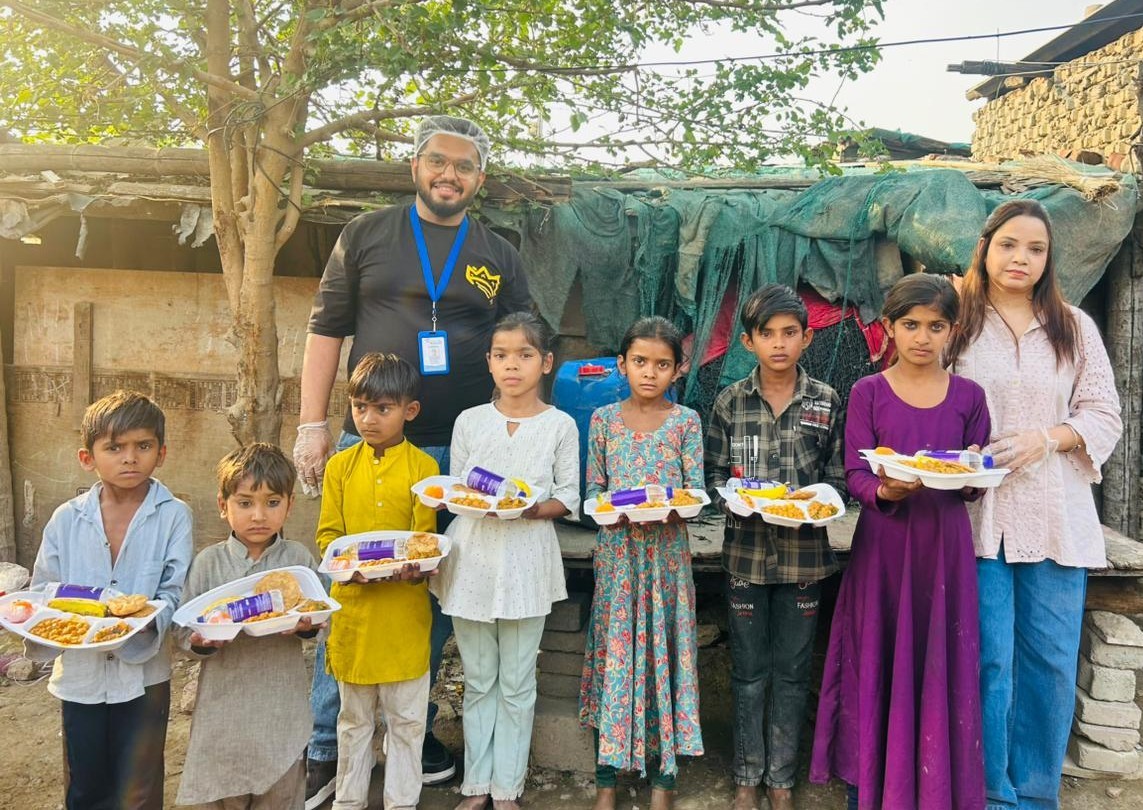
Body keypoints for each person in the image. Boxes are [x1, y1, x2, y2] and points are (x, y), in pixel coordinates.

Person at [296, 113, 532, 806]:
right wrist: (313, 425)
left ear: (478, 180)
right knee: (350, 581)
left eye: (463, 166)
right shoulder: (365, 235)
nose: (449, 174)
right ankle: (324, 742)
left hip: (457, 451)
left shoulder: (499, 251)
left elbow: (521, 342)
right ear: (415, 168)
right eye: (438, 161)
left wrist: (513, 437)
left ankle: (413, 725)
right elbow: (325, 329)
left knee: (426, 591)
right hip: (366, 440)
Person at [944, 200, 1122, 810]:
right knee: (988, 661)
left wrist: (1046, 438)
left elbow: (1103, 414)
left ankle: (1038, 795)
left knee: (1048, 661)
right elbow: (923, 397)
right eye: (1009, 244)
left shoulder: (1073, 325)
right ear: (985, 247)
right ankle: (990, 793)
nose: (1021, 258)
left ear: (1049, 260)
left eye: (1036, 249)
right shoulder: (956, 322)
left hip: (1055, 517)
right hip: (976, 518)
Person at [810, 274, 989, 809]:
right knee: (877, 656)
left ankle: (934, 788)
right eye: (910, 324)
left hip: (945, 549)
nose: (922, 337)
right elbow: (856, 474)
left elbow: (974, 482)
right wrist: (885, 487)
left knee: (939, 656)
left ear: (953, 331)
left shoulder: (970, 396)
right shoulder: (868, 392)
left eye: (936, 326)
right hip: (885, 547)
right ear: (888, 326)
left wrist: (974, 471)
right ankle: (869, 785)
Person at [704, 284, 846, 810]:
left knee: (791, 672)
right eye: (768, 334)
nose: (779, 344)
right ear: (748, 341)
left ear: (807, 338)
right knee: (748, 671)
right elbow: (715, 474)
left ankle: (781, 780)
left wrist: (818, 497)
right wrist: (733, 496)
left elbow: (839, 479)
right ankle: (746, 775)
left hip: (805, 558)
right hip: (745, 555)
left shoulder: (826, 400)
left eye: (790, 333)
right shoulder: (730, 401)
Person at [431, 312, 579, 810]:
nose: (512, 365)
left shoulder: (560, 426)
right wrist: (479, 502)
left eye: (524, 355)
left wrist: (532, 509)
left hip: (528, 562)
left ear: (546, 362)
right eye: (501, 355)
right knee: (478, 679)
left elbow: (569, 497)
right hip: (472, 560)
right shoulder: (470, 422)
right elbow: (456, 493)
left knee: (517, 681)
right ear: (489, 362)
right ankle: (476, 785)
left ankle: (507, 788)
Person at [27, 390, 193, 810]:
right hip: (81, 677)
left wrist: (142, 620)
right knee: (85, 785)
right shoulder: (67, 519)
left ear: (162, 452)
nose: (129, 458)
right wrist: (43, 616)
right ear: (88, 458)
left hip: (144, 674)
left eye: (143, 446)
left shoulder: (173, 515)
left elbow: (174, 589)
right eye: (114, 448)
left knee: (138, 789)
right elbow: (45, 589)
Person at [578, 316, 705, 810]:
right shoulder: (604, 421)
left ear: (678, 369)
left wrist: (670, 506)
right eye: (639, 362)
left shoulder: (686, 422)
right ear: (621, 365)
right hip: (617, 560)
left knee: (665, 657)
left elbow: (696, 493)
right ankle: (606, 781)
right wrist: (613, 508)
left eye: (662, 364)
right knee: (616, 660)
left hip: (667, 561)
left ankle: (663, 782)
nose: (649, 373)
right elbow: (594, 492)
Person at [317, 353, 441, 810]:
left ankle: (401, 802)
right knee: (353, 721)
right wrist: (347, 566)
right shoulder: (339, 467)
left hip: (404, 616)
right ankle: (348, 801)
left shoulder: (424, 469)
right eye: (359, 406)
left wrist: (414, 568)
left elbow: (424, 543)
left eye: (382, 409)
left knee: (407, 721)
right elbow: (329, 535)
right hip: (354, 612)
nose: (368, 419)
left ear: (409, 411)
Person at [175, 443, 321, 809]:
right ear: (223, 506)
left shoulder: (297, 561)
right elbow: (181, 632)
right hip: (222, 714)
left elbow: (319, 618)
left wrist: (305, 625)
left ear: (290, 505)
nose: (259, 515)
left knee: (281, 792)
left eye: (272, 503)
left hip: (280, 709)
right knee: (222, 795)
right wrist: (201, 640)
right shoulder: (208, 564)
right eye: (245, 503)